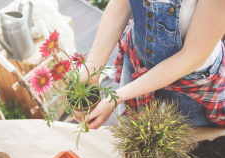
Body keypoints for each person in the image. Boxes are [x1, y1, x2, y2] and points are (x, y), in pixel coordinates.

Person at [81, 0, 225, 129]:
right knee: (134, 142)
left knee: (188, 150)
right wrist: (91, 71)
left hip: (190, 84)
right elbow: (122, 3)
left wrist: (116, 97)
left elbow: (192, 56)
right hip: (138, 60)